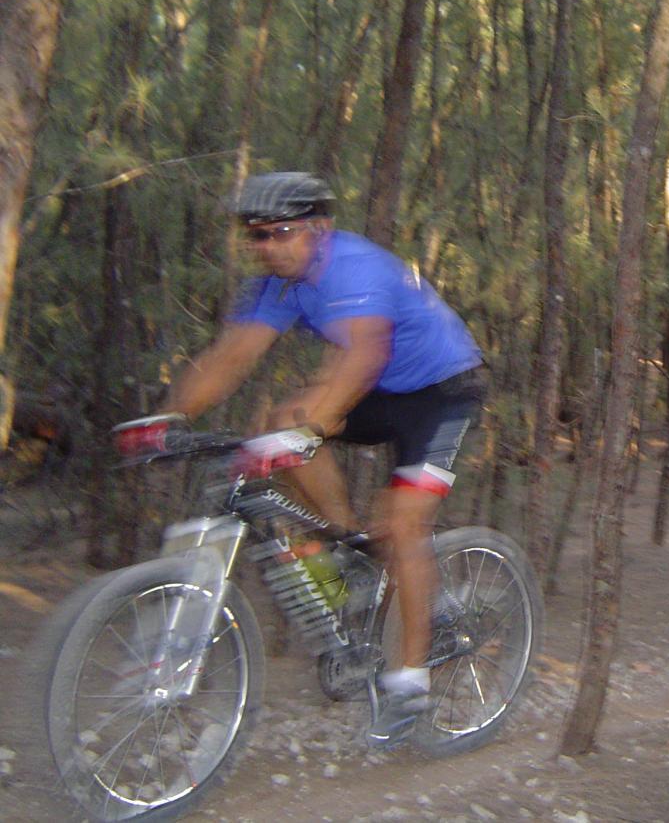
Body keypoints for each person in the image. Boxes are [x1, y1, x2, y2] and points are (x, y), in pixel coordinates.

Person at [121, 172, 485, 748]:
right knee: (275, 423)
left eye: (279, 232)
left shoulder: (353, 265)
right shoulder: (276, 285)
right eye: (256, 236)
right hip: (378, 390)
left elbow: (366, 351)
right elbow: (230, 357)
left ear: (320, 228)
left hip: (442, 390)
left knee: (403, 523)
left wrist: (313, 428)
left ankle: (408, 684)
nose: (266, 246)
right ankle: (348, 545)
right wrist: (165, 419)